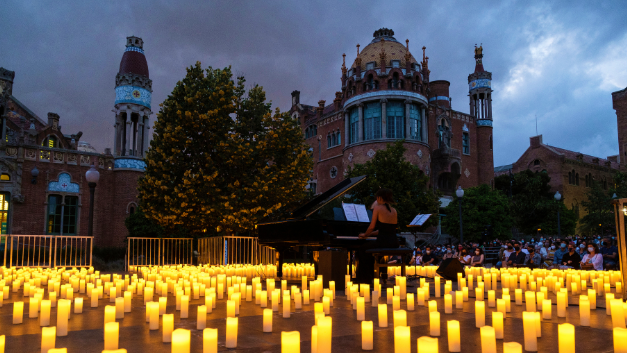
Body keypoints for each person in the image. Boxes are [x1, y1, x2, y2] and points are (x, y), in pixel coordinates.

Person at [356, 188, 399, 284]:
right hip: (394, 242)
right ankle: (372, 276)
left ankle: (366, 279)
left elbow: (371, 227)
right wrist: (370, 234)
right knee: (369, 248)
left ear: (379, 198)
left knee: (362, 249)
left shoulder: (378, 208)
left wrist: (365, 234)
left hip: (382, 242)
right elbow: (385, 229)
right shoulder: (394, 210)